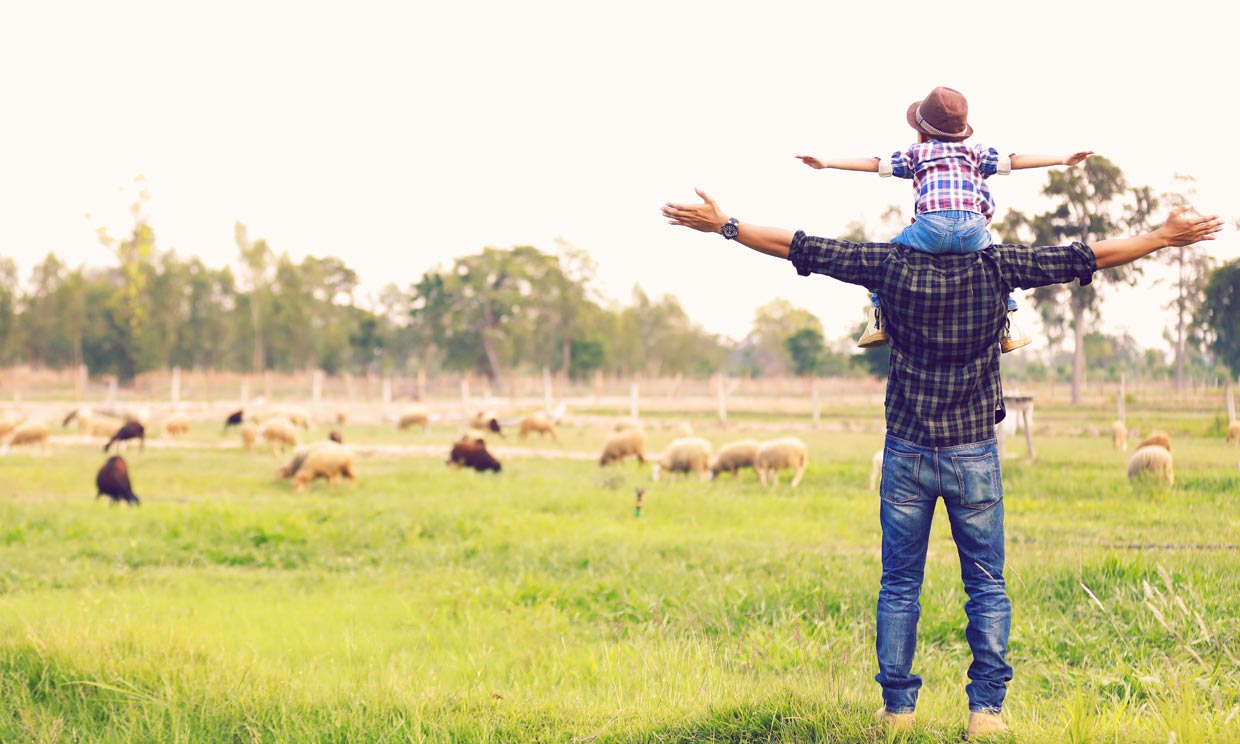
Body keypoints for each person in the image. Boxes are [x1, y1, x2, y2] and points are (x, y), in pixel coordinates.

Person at [661, 188, 1221, 738]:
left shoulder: (888, 264)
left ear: (921, 206)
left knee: (899, 585)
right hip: (973, 451)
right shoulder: (998, 266)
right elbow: (1085, 255)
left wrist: (727, 225)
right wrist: (1162, 238)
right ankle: (987, 716)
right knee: (986, 586)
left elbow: (802, 247)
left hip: (906, 448)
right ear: (973, 206)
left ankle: (898, 713)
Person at [795, 86, 1093, 352]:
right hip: (973, 231)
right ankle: (1009, 323)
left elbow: (875, 165)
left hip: (931, 228)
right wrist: (1062, 159)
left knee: (887, 258)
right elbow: (1014, 162)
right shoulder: (975, 153)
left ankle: (878, 318)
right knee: (996, 264)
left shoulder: (918, 153)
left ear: (922, 131)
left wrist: (827, 163)